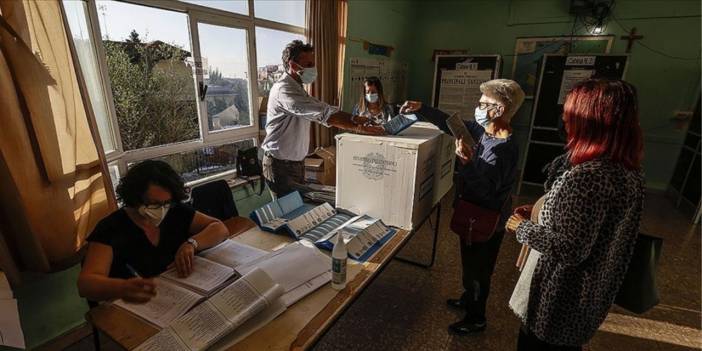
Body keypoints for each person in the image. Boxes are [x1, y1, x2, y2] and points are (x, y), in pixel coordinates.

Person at [505, 79, 645, 350]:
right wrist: (539, 211)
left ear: (592, 120)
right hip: (590, 295)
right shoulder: (628, 170)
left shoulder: (588, 176)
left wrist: (522, 227)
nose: (564, 118)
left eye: (571, 113)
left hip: (558, 301)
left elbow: (571, 248)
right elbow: (587, 222)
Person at [401, 79, 525, 335]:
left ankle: (476, 317)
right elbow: (452, 124)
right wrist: (422, 108)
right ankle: (469, 298)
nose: (477, 108)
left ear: (499, 109)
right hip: (472, 215)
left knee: (480, 271)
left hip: (487, 220)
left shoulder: (502, 148)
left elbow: (487, 192)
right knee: (470, 265)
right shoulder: (484, 132)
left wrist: (467, 165)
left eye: (483, 104)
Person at [78, 160, 231, 303]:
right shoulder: (111, 228)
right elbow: (85, 284)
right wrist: (121, 287)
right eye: (154, 204)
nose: (162, 210)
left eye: (166, 203)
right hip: (135, 304)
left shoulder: (175, 211)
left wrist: (191, 244)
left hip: (178, 296)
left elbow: (219, 228)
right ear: (135, 198)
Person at [261, 40, 385, 198]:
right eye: (309, 64)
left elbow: (323, 107)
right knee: (289, 213)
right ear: (293, 66)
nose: (313, 68)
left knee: (299, 209)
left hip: (296, 163)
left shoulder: (297, 87)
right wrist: (358, 126)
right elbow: (322, 113)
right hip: (280, 166)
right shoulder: (284, 90)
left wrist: (355, 119)